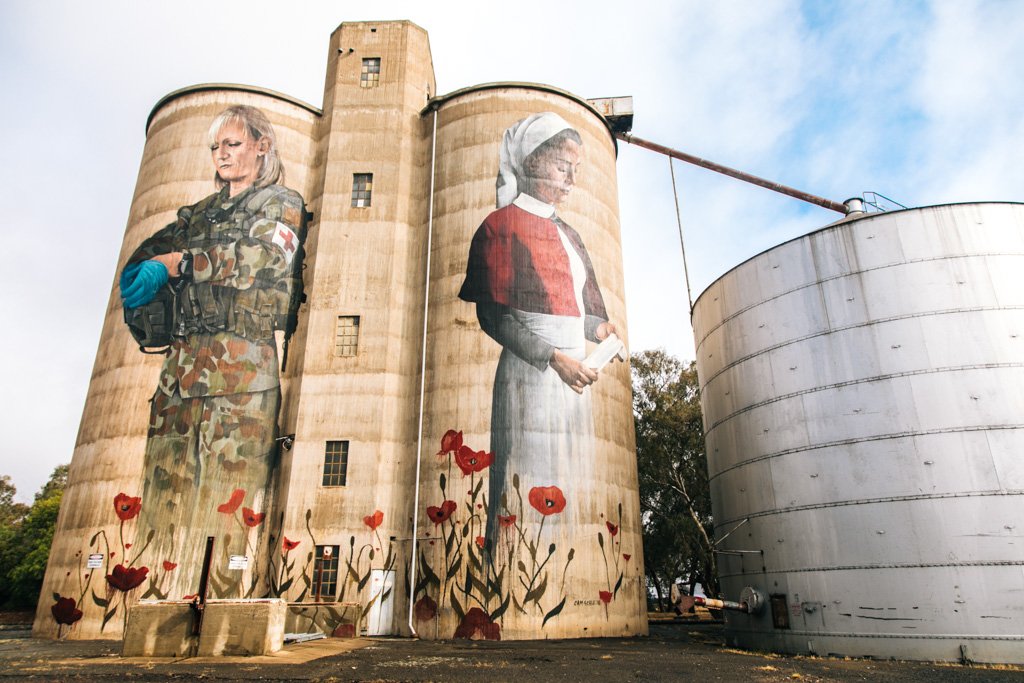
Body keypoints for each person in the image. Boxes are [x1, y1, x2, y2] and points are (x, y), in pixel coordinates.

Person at [119, 105, 306, 599]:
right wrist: (139, 282)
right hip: (179, 373)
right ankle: (159, 598)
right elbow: (143, 257)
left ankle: (227, 601)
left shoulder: (279, 203)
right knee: (165, 493)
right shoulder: (197, 215)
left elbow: (266, 259)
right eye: (215, 147)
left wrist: (181, 263)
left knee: (232, 498)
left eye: (233, 144)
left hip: (241, 374)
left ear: (261, 146)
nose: (222, 155)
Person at [458, 112, 619, 547]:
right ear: (531, 162)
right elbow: (493, 316)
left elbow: (569, 307)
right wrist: (555, 358)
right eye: (561, 166)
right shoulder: (500, 226)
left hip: (575, 380)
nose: (570, 180)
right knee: (525, 481)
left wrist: (598, 328)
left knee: (574, 484)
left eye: (576, 171)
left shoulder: (570, 233)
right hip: (531, 379)